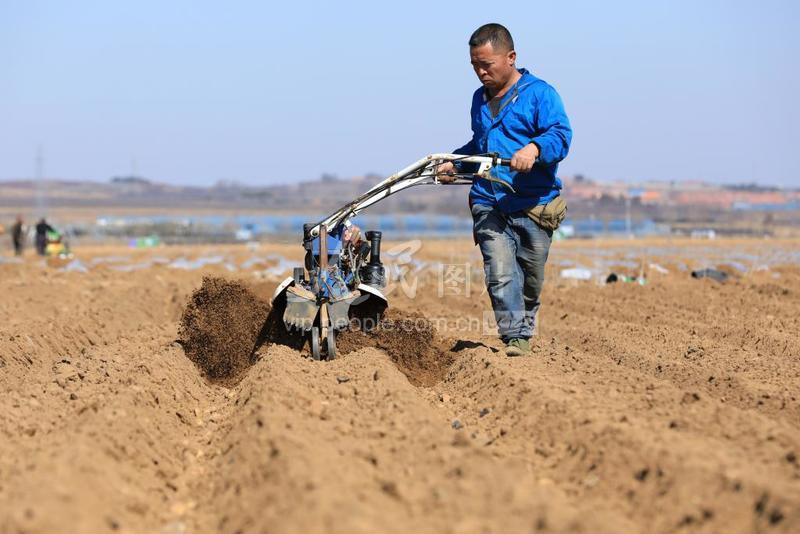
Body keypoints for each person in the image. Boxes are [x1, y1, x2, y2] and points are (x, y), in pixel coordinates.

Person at [439, 23, 572, 356]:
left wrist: (535, 150)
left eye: (487, 65)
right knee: (500, 273)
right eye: (475, 66)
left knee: (530, 277)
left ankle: (523, 327)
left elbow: (560, 134)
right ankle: (516, 337)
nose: (480, 72)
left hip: (533, 202)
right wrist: (454, 163)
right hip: (489, 199)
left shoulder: (541, 94)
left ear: (510, 57)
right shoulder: (478, 99)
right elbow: (480, 144)